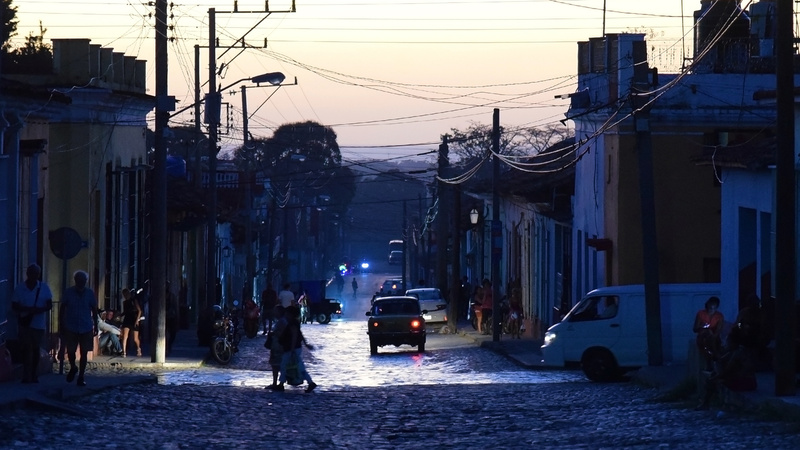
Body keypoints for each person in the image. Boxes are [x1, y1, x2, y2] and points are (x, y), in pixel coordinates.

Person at [11, 263, 53, 384]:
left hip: (38, 324)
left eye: (35, 274)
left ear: (38, 275)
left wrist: (39, 310)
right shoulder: (20, 288)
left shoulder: (44, 288)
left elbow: (49, 304)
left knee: (35, 349)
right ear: (27, 274)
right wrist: (27, 309)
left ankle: (33, 374)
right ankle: (26, 374)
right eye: (31, 273)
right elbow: (14, 305)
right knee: (25, 349)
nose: (33, 275)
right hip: (24, 323)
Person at [59, 270, 98, 386]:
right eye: (79, 280)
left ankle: (81, 376)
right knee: (70, 351)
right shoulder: (68, 292)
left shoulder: (90, 293)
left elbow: (94, 310)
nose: (81, 282)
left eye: (83, 280)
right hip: (71, 326)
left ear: (86, 281)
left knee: (84, 352)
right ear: (75, 280)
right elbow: (62, 308)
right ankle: (73, 367)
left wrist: (95, 325)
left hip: (86, 326)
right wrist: (62, 323)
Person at [274, 305, 317, 393]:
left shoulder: (292, 323)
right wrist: (305, 344)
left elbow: (294, 335)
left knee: (286, 365)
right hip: (294, 347)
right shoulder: (295, 323)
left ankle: (282, 384)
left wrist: (292, 348)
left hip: (291, 348)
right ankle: (309, 382)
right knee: (296, 366)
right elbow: (300, 334)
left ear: (290, 314)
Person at [693, 296, 725, 370]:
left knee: (713, 341)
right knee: (707, 335)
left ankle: (713, 358)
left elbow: (718, 330)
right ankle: (714, 358)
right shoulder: (701, 314)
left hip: (714, 338)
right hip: (703, 337)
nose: (711, 310)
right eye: (710, 308)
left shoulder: (719, 316)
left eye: (713, 308)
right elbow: (695, 329)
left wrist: (712, 335)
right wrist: (702, 326)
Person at [265, 305, 287, 390]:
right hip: (278, 345)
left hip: (278, 346)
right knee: (277, 365)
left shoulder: (281, 322)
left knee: (276, 365)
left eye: (276, 311)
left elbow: (281, 333)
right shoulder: (281, 321)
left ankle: (278, 383)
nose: (274, 313)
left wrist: (272, 334)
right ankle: (278, 383)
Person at [120, 287, 142, 358]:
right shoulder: (125, 302)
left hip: (134, 319)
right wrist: (120, 315)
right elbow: (125, 312)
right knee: (125, 336)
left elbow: (139, 311)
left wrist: (137, 320)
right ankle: (124, 352)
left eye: (125, 294)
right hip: (127, 319)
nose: (125, 296)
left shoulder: (133, 300)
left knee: (135, 338)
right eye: (124, 295)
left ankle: (138, 349)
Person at [165, 282, 179, 354]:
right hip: (164, 317)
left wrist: (176, 316)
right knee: (165, 333)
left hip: (171, 316)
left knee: (173, 333)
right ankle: (166, 347)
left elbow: (175, 307)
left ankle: (169, 345)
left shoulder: (172, 296)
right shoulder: (161, 296)